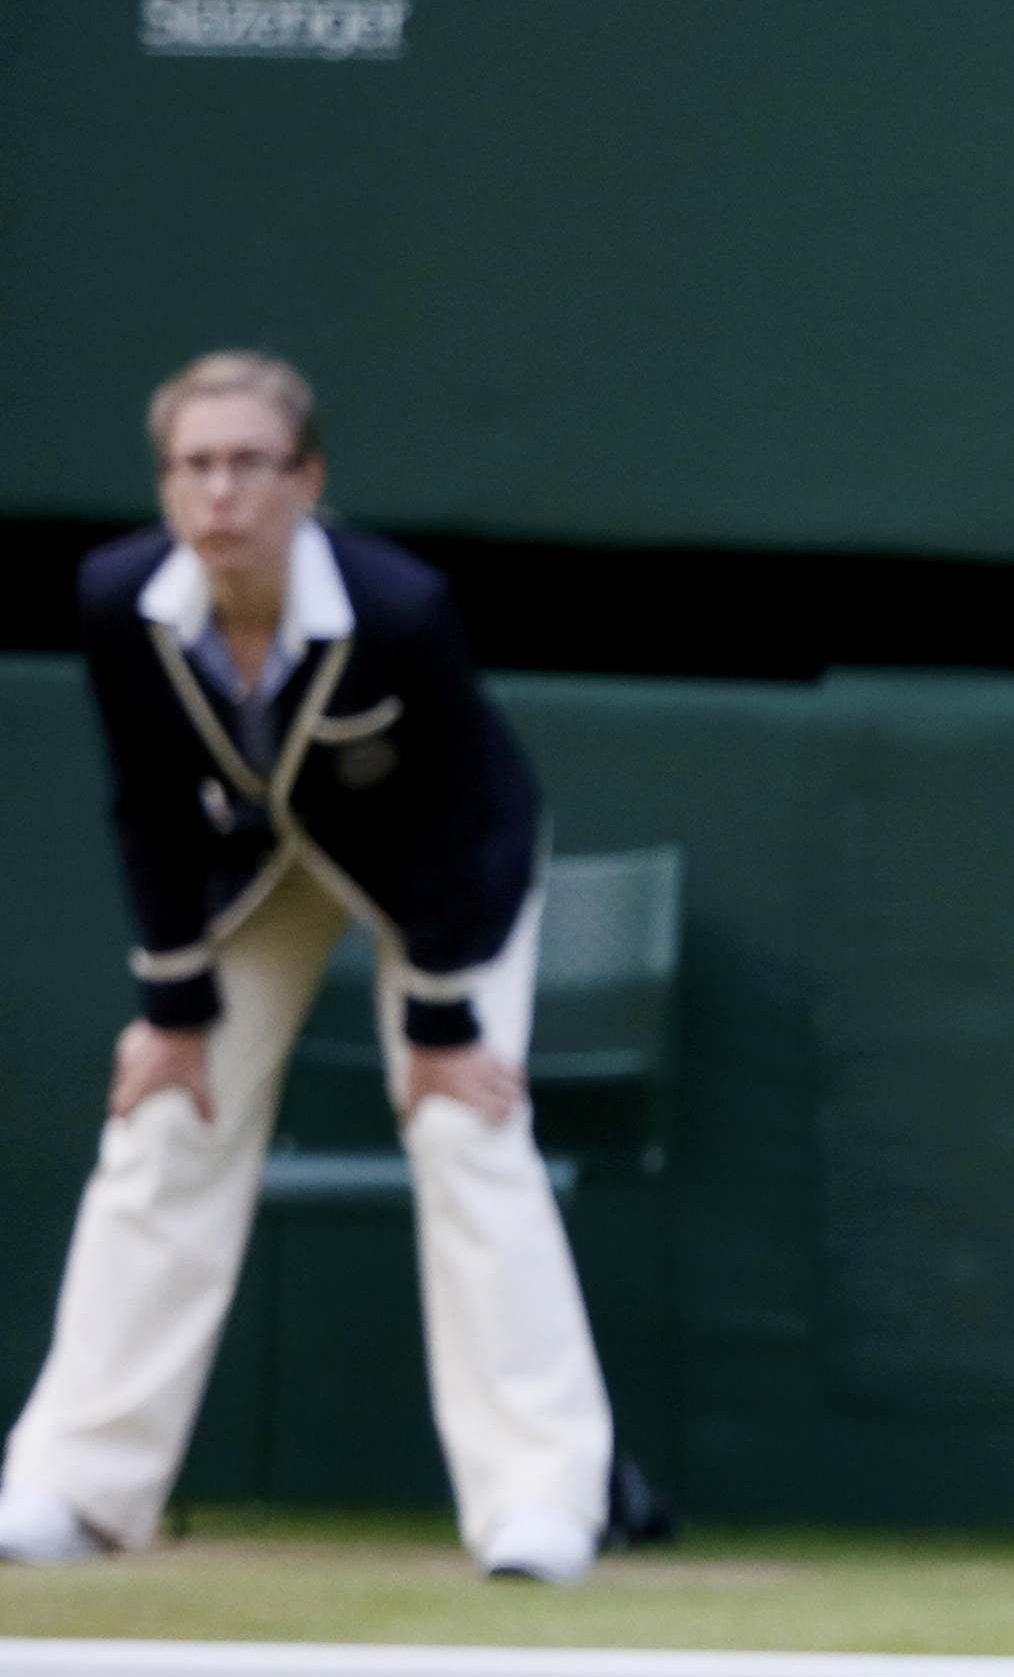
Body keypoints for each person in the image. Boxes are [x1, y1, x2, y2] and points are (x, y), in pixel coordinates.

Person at [0, 353, 618, 1584]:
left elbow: (460, 827)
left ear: (307, 481)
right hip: (252, 870)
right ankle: (71, 1484)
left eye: (248, 463)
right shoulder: (119, 599)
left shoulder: (402, 611)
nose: (220, 492)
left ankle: (539, 1501)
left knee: (465, 1132)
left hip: (447, 877)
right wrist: (172, 1009)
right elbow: (148, 810)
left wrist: (443, 1025)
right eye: (194, 465)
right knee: (166, 1118)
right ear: (167, 487)